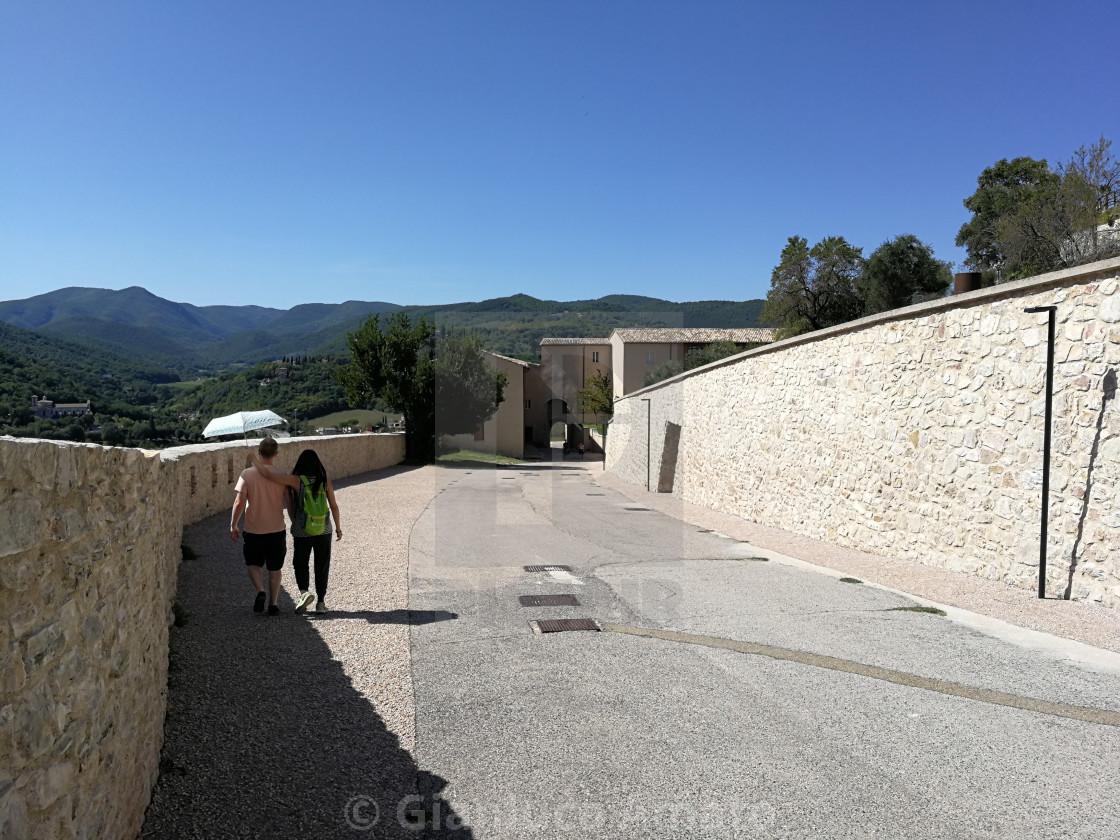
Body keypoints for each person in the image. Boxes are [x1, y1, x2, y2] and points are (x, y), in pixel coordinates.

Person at [252, 448, 342, 614]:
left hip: (302, 528)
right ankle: (321, 603)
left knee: (300, 562)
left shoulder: (296, 481)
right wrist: (338, 527)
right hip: (324, 528)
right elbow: (334, 506)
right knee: (322, 565)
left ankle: (304, 593)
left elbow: (270, 476)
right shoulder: (325, 481)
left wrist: (255, 461)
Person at [230, 437, 288, 616]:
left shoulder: (247, 474)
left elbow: (239, 502)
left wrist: (233, 525)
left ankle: (260, 591)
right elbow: (290, 503)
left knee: (253, 563)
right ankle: (274, 603)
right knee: (275, 567)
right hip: (277, 529)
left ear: (259, 453)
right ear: (276, 454)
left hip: (254, 529)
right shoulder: (282, 474)